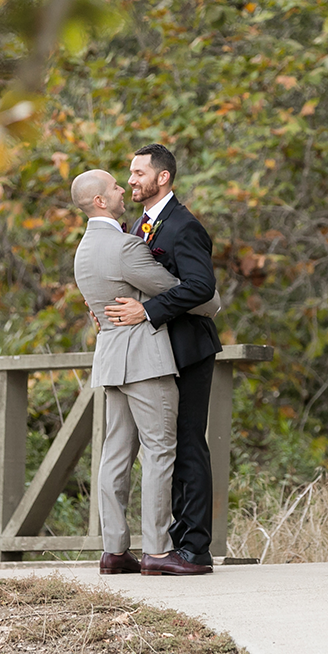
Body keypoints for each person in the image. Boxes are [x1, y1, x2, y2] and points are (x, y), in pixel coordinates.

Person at [71, 168, 216, 576]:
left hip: (110, 360)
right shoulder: (125, 247)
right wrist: (212, 301)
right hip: (145, 362)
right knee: (159, 451)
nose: (123, 190)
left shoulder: (83, 250)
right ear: (100, 200)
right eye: (116, 186)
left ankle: (114, 550)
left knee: (115, 455)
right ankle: (157, 549)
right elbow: (178, 287)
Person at [104, 144, 222, 568]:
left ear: (163, 177)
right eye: (130, 174)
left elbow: (200, 287)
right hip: (150, 357)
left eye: (138, 173)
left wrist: (147, 311)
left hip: (188, 350)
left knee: (188, 444)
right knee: (158, 447)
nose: (132, 179)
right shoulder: (139, 226)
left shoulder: (184, 225)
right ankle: (164, 544)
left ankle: (193, 547)